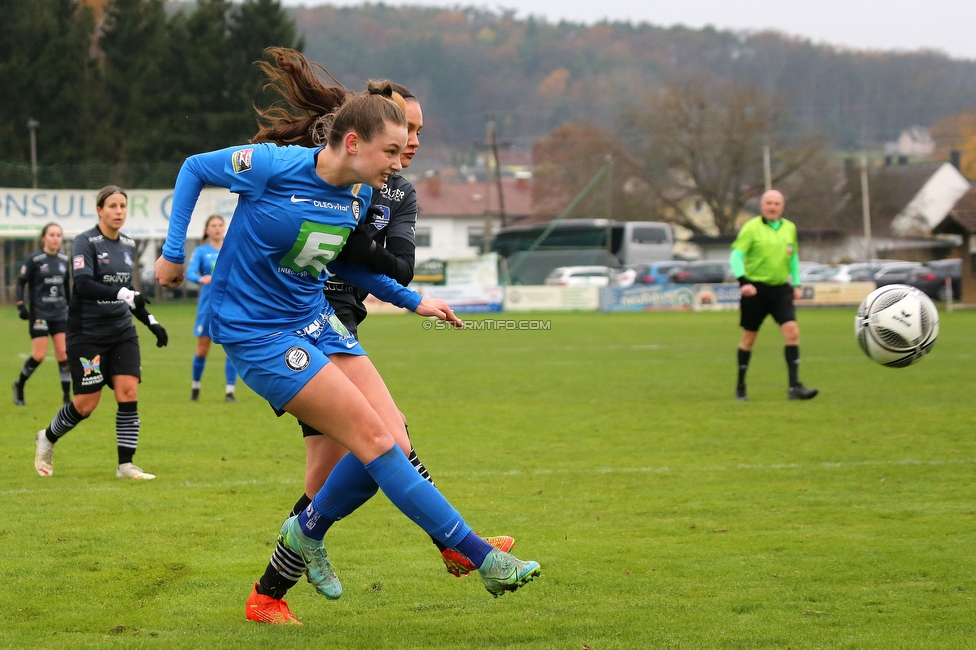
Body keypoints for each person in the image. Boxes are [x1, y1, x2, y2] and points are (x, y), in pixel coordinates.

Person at [155, 58, 539, 625]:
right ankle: (478, 556)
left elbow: (345, 266)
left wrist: (415, 301)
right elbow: (193, 167)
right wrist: (172, 252)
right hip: (258, 334)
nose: (399, 162)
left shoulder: (359, 196)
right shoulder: (270, 167)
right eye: (392, 150)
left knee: (392, 437)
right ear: (354, 141)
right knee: (374, 441)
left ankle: (304, 535)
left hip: (317, 323)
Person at [252, 71, 512, 622]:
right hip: (297, 325)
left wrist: (356, 238)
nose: (413, 143)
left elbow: (398, 267)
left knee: (343, 469)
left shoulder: (396, 191)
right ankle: (459, 545)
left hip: (341, 322)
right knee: (379, 445)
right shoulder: (334, 173)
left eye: (418, 132)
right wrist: (350, 233)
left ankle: (269, 593)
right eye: (406, 130)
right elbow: (298, 233)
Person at [33, 185, 169, 480]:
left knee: (128, 390)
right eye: (112, 206)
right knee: (85, 404)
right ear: (99, 210)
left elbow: (129, 292)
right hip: (87, 333)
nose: (119, 211)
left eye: (123, 206)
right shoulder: (85, 242)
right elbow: (82, 285)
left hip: (121, 330)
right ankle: (47, 437)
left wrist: (151, 321)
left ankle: (125, 465)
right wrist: (122, 293)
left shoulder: (129, 244)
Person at [730, 189, 818, 401]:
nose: (772, 207)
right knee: (749, 339)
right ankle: (741, 386)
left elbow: (793, 257)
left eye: (777, 203)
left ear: (782, 207)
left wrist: (796, 283)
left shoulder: (789, 228)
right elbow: (735, 256)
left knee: (792, 332)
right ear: (761, 206)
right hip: (756, 291)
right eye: (769, 203)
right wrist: (743, 282)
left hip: (780, 290)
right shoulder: (750, 228)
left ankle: (794, 387)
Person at [13, 223, 72, 406]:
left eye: (58, 235)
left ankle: (66, 398)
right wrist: (21, 304)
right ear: (44, 238)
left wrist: (71, 309)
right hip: (40, 313)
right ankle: (19, 384)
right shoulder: (34, 259)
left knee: (63, 355)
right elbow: (21, 283)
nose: (55, 238)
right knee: (39, 355)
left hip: (60, 313)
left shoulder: (64, 260)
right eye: (52, 234)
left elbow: (66, 288)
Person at [186, 214, 238, 402]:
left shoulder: (232, 248)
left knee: (230, 350)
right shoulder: (201, 251)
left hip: (230, 307)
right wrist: (201, 278)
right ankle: (195, 388)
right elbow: (190, 272)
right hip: (208, 307)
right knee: (202, 350)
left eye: (220, 225)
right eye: (213, 225)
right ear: (207, 230)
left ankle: (230, 392)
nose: (217, 228)